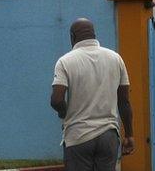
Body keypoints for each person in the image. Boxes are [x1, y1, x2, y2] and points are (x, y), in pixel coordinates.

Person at [51, 18, 135, 171]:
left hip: (78, 136)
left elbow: (56, 100)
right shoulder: (115, 58)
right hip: (108, 136)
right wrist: (129, 135)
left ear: (72, 37)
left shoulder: (65, 62)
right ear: (94, 35)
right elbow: (124, 102)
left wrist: (64, 113)